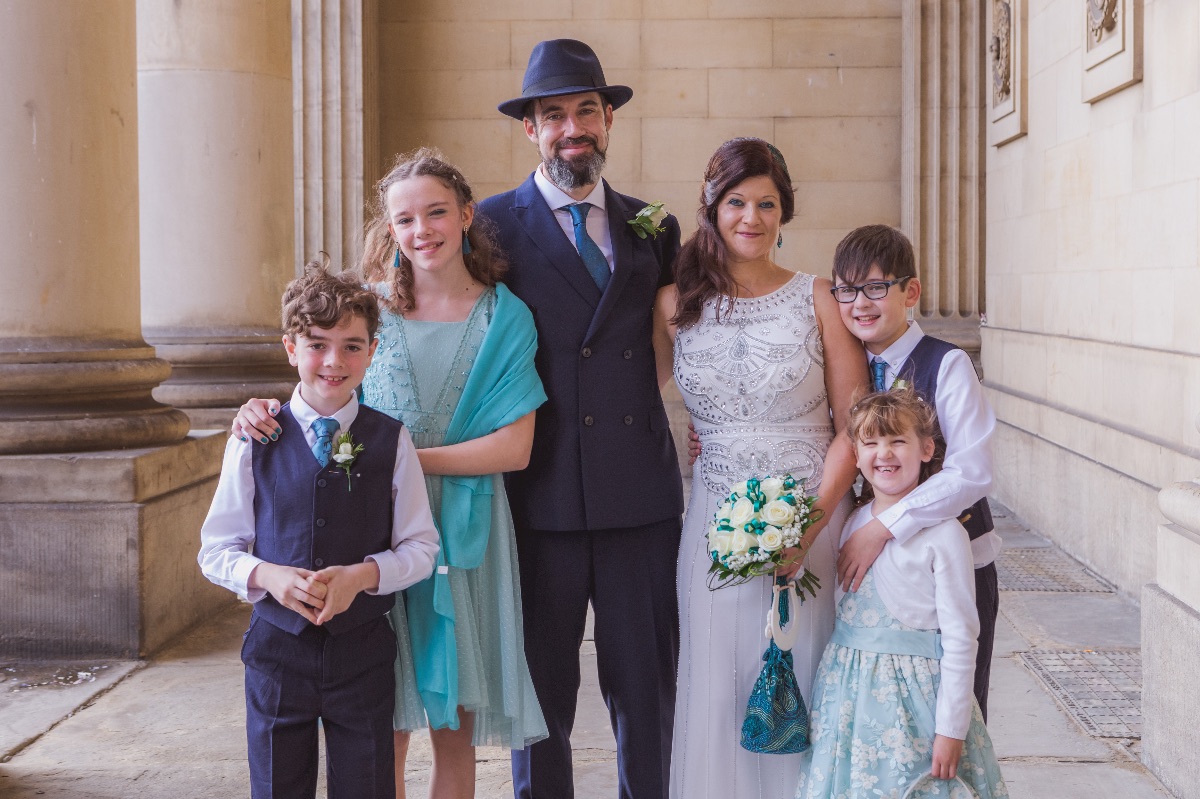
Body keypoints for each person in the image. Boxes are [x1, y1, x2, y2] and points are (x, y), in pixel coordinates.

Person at [234, 148, 548, 799]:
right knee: (383, 726)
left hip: (466, 533)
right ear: (390, 229)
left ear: (466, 215)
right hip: (367, 528)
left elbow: (514, 448)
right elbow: (321, 393)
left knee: (453, 726)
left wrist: (398, 459)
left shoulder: (506, 315)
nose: (422, 230)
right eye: (405, 219)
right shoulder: (368, 311)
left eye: (437, 212)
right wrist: (258, 410)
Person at [477, 39, 684, 799]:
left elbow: (674, 339)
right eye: (555, 114)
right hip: (539, 495)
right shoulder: (488, 226)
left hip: (641, 495)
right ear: (530, 128)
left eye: (586, 111)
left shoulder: (654, 226)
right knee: (540, 699)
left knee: (646, 689)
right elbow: (421, 318)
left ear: (608, 120)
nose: (573, 129)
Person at [652, 137, 868, 798]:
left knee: (804, 678)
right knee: (717, 686)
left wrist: (809, 526)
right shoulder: (673, 304)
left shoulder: (820, 297)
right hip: (712, 523)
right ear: (712, 208)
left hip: (811, 520)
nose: (752, 217)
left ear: (784, 212)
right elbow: (631, 403)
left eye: (767, 204)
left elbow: (854, 425)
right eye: (737, 202)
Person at [200, 264, 440, 799]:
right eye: (317, 345)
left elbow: (421, 546)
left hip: (363, 653)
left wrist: (363, 576)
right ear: (291, 348)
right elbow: (216, 550)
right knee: (276, 785)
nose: (334, 361)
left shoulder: (391, 440)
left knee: (367, 785)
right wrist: (269, 576)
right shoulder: (254, 436)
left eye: (352, 346)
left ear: (372, 351)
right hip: (276, 653)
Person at [796, 389, 1008, 799]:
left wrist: (951, 729)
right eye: (871, 443)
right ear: (855, 455)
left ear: (926, 449)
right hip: (847, 699)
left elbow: (961, 637)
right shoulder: (853, 521)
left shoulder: (945, 534)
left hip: (915, 705)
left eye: (897, 440)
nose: (884, 453)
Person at [829, 224, 1000, 717]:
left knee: (955, 703)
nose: (860, 303)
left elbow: (972, 470)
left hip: (952, 562)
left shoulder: (946, 364)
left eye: (875, 287)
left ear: (911, 292)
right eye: (846, 290)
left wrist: (884, 527)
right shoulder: (842, 368)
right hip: (869, 572)